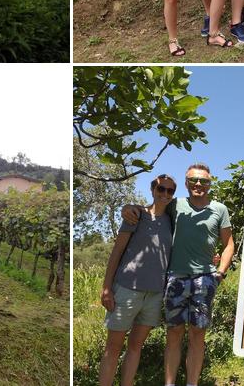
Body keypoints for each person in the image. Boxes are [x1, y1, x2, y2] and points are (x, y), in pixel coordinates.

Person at [124, 164, 234, 386]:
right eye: (194, 180)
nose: (198, 185)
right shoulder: (176, 205)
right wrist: (130, 207)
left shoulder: (219, 209)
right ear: (186, 183)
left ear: (210, 184)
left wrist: (220, 272)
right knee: (174, 332)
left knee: (197, 334)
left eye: (204, 181)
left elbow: (229, 243)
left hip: (205, 279)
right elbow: (153, 210)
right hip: (175, 277)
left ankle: (192, 383)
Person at [98, 174, 176, 386]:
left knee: (136, 346)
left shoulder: (171, 220)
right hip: (126, 289)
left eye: (170, 191)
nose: (165, 194)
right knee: (113, 347)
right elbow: (117, 251)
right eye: (161, 189)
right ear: (153, 190)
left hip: (154, 294)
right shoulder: (136, 215)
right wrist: (107, 287)